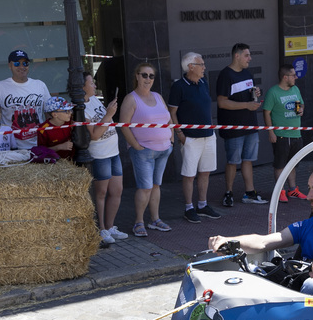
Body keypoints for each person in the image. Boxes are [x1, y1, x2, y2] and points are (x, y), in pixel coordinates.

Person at [207, 163, 313, 297]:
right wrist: (229, 241)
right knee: (255, 274)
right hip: (301, 298)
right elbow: (264, 241)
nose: (309, 195)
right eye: (309, 188)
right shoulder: (307, 226)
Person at [166, 54, 221, 224]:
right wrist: (180, 134)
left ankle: (202, 205)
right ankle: (189, 207)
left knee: (205, 171)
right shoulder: (178, 86)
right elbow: (172, 112)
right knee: (189, 174)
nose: (204, 67)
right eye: (201, 64)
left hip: (208, 135)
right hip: (190, 137)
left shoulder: (204, 82)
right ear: (190, 66)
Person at [121, 66, 174, 235]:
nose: (148, 78)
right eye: (144, 75)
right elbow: (124, 126)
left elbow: (168, 118)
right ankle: (139, 222)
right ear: (137, 76)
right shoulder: (131, 99)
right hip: (144, 151)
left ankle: (155, 219)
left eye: (151, 76)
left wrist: (171, 138)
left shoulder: (158, 96)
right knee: (145, 187)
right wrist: (136, 146)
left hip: (163, 149)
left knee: (155, 185)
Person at [217, 43, 266, 206]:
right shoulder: (225, 75)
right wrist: (246, 105)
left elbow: (248, 94)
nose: (250, 58)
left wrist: (255, 93)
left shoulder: (247, 73)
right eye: (247, 55)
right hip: (233, 127)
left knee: (248, 159)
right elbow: (222, 102)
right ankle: (228, 193)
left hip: (250, 124)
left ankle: (249, 193)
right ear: (236, 56)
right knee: (233, 161)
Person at [82, 74, 126, 244]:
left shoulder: (94, 100)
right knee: (101, 192)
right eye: (91, 83)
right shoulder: (80, 108)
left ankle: (110, 226)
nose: (94, 85)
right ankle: (101, 229)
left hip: (113, 152)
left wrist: (108, 111)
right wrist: (109, 114)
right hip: (100, 154)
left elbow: (105, 121)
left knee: (117, 190)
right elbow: (94, 135)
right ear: (82, 87)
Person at [262, 64, 306, 202]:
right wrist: (271, 132)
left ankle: (293, 190)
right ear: (285, 77)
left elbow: (300, 103)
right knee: (280, 164)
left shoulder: (295, 89)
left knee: (292, 163)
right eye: (293, 75)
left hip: (296, 133)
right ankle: (279, 191)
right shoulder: (273, 92)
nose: (296, 77)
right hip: (281, 134)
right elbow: (266, 113)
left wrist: (301, 109)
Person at [0, 49, 49, 150]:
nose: (22, 67)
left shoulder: (40, 85)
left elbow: (49, 112)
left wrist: (49, 136)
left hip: (39, 144)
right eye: (17, 63)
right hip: (12, 145)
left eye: (25, 63)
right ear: (10, 65)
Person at [37, 96, 77, 160]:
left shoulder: (70, 121)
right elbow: (41, 151)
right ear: (55, 114)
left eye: (70, 110)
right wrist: (59, 147)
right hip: (55, 162)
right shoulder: (43, 129)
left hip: (73, 159)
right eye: (66, 111)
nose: (70, 113)